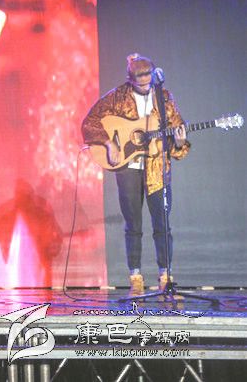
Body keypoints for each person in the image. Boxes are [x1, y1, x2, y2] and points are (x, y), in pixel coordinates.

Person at [81, 54, 189, 295]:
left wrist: (180, 142)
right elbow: (90, 122)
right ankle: (136, 278)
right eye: (141, 83)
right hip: (128, 168)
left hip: (157, 168)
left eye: (149, 81)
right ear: (130, 80)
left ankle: (165, 276)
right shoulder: (118, 96)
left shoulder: (164, 97)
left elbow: (177, 130)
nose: (146, 86)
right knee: (133, 225)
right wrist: (109, 142)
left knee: (162, 225)